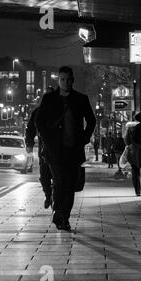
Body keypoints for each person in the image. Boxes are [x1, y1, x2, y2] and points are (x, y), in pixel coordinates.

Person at [35, 66, 96, 231]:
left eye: (68, 79)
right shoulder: (49, 99)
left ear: (72, 80)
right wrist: (47, 139)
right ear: (58, 80)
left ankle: (63, 217)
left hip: (73, 150)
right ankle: (58, 213)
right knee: (60, 182)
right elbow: (39, 121)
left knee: (70, 185)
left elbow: (91, 121)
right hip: (54, 151)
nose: (65, 82)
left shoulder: (81, 99)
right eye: (62, 79)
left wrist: (84, 138)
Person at [25, 86, 55, 209]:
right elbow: (30, 129)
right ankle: (48, 195)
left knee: (61, 177)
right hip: (44, 151)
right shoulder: (38, 112)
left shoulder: (61, 110)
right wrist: (30, 144)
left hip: (61, 150)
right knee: (44, 176)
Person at [124, 114, 141, 197]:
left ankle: (137, 190)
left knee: (135, 171)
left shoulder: (130, 128)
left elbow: (126, 140)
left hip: (133, 153)